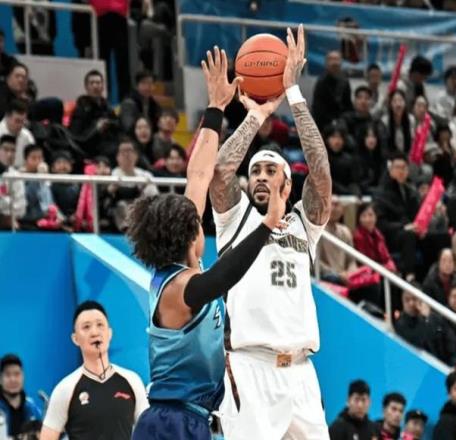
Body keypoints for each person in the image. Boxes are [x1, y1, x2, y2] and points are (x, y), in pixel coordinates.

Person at [127, 46, 288, 440]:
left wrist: (217, 108)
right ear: (189, 237)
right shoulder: (179, 289)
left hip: (194, 419)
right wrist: (266, 225)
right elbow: (222, 278)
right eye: (197, 224)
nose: (203, 225)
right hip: (171, 421)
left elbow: (199, 175)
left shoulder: (181, 271)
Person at [210, 25, 331, 439]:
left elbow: (321, 172)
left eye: (270, 170)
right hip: (251, 367)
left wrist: (293, 92)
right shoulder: (235, 217)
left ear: (288, 182)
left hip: (301, 370)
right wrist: (256, 116)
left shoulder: (303, 223)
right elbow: (221, 172)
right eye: (256, 171)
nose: (260, 176)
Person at [40, 301, 149, 440]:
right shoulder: (65, 389)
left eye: (100, 325)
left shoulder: (132, 381)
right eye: (86, 327)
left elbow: (149, 432)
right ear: (75, 338)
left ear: (110, 333)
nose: (94, 332)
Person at [373, 153, 420, 279]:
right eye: (397, 167)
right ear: (390, 170)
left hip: (410, 230)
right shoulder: (381, 193)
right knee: (408, 235)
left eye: (404, 168)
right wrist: (404, 227)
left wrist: (421, 227)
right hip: (391, 235)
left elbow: (416, 215)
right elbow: (381, 224)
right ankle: (410, 277)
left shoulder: (410, 191)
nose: (401, 171)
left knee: (438, 236)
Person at [394, 288, 456, 366]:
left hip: (441, 363)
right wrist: (425, 319)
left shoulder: (434, 318)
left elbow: (449, 340)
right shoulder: (401, 323)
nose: (411, 303)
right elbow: (418, 342)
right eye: (407, 300)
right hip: (418, 364)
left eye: (414, 299)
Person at [109, 138, 158, 231]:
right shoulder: (112, 174)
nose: (127, 155)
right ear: (117, 157)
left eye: (130, 151)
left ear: (136, 156)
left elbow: (154, 197)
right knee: (122, 205)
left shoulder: (146, 175)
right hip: (121, 214)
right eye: (123, 151)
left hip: (142, 212)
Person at [70, 69, 120, 160]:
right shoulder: (80, 109)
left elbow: (117, 125)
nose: (95, 86)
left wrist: (108, 124)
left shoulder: (107, 107)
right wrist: (96, 129)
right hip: (91, 151)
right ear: (86, 87)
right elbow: (76, 137)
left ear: (103, 86)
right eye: (92, 83)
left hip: (110, 145)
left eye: (98, 83)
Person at [89, 0, 130, 99]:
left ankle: (125, 99)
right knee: (103, 62)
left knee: (122, 61)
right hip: (101, 16)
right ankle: (103, 98)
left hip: (118, 16)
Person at [0, 355, 41, 439]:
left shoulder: (33, 409)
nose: (13, 379)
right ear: (0, 379)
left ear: (23, 376)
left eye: (17, 374)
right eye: (7, 375)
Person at [318, 195, 357, 284]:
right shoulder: (317, 231)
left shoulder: (345, 231)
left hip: (345, 276)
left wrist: (351, 272)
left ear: (342, 210)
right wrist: (337, 274)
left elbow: (351, 261)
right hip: (327, 277)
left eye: (337, 205)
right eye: (331, 204)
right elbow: (315, 262)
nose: (334, 208)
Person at [312, 50, 353, 131]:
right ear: (326, 63)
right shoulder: (321, 82)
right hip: (324, 124)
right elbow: (318, 109)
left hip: (342, 122)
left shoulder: (345, 81)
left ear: (341, 63)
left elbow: (348, 105)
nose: (334, 62)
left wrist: (344, 119)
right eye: (331, 59)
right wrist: (332, 122)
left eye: (337, 59)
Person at [353, 202, 396, 273]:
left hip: (381, 269)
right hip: (367, 271)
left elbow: (386, 257)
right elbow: (365, 262)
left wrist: (390, 266)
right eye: (364, 216)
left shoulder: (378, 234)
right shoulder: (358, 237)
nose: (367, 219)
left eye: (370, 215)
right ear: (359, 219)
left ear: (376, 217)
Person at [323, 121, 360, 196]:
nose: (337, 141)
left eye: (340, 137)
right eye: (333, 137)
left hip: (345, 197)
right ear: (327, 139)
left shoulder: (349, 159)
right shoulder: (322, 159)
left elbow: (353, 181)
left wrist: (355, 190)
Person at [0, 134, 26, 229]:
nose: (9, 154)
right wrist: (8, 200)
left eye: (13, 150)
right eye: (6, 150)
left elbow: (21, 209)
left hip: (8, 222)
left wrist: (4, 202)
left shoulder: (16, 176)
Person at [0, 99, 35, 168]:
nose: (20, 125)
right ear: (7, 117)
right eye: (17, 121)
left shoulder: (27, 136)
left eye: (23, 121)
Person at [381, 90, 415, 156]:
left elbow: (413, 143)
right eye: (395, 101)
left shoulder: (411, 120)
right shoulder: (384, 121)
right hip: (390, 157)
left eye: (400, 100)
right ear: (390, 104)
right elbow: (384, 147)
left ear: (405, 103)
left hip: (407, 156)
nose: (398, 104)